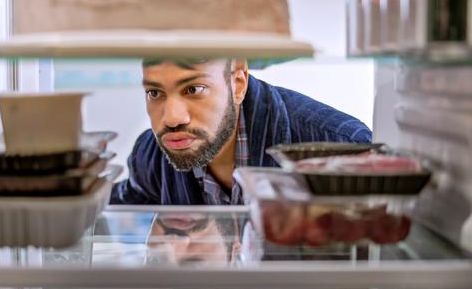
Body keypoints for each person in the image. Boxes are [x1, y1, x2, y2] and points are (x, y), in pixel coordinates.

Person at [111, 58, 372, 205]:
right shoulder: (151, 157)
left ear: (237, 84)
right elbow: (120, 208)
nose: (172, 118)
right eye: (154, 93)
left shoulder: (340, 149)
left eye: (194, 89)